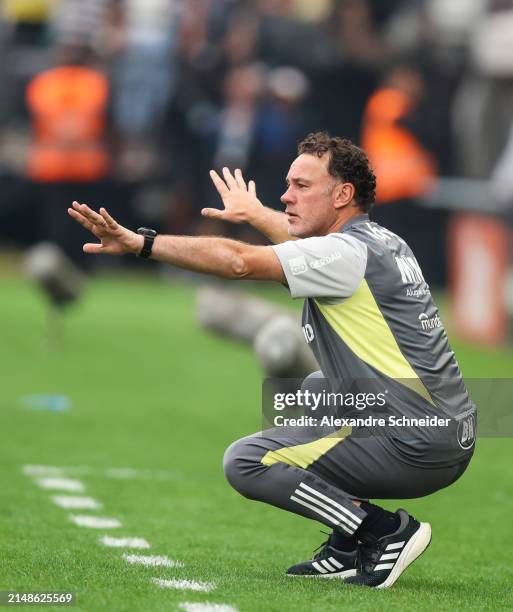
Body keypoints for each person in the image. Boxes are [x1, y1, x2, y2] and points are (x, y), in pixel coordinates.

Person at [68, 131, 476, 589]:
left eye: (302, 186)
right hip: (447, 432)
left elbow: (239, 262)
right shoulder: (381, 241)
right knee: (317, 389)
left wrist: (141, 242)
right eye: (288, 184)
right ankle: (347, 542)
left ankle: (383, 532)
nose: (285, 196)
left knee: (247, 462)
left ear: (343, 194)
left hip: (415, 446)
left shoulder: (342, 254)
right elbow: (303, 246)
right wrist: (256, 213)